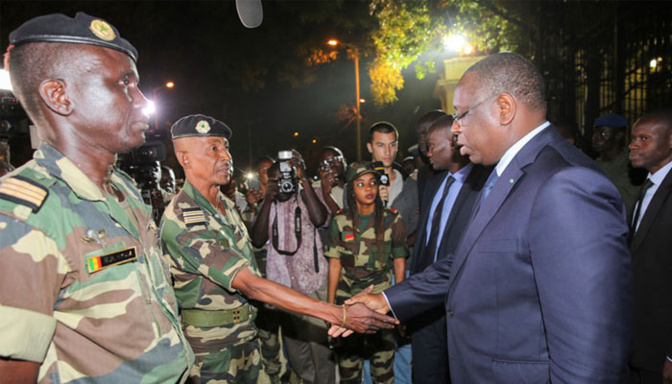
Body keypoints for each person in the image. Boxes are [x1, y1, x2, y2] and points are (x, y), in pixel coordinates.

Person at [340, 52, 633, 383]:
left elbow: (589, 355)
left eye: (461, 115)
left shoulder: (567, 185)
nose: (454, 129)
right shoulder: (506, 174)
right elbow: (464, 262)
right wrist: (387, 300)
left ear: (504, 108)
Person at [0, 12, 194, 383]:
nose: (140, 101)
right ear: (60, 96)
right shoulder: (21, 216)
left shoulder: (122, 189)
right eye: (124, 84)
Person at [160, 114, 397, 384]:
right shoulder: (185, 217)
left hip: (245, 336)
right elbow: (250, 283)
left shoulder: (223, 206)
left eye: (226, 146)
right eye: (214, 148)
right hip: (212, 348)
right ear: (185, 158)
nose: (226, 156)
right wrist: (339, 314)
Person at [407, 114, 489, 384]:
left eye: (433, 146)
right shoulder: (431, 183)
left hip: (462, 306)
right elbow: (424, 242)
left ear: (454, 145)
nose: (426, 152)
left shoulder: (483, 187)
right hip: (425, 308)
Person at [250, 152, 335, 384]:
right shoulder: (268, 204)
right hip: (283, 289)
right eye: (275, 179)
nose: (282, 183)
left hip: (314, 283)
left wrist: (304, 180)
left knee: (322, 352)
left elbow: (320, 219)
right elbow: (257, 240)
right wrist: (268, 199)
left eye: (286, 177)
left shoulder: (308, 195)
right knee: (297, 354)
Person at [324, 162, 408, 384]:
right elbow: (334, 265)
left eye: (372, 183)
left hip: (381, 302)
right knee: (349, 370)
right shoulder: (340, 221)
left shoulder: (392, 219)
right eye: (361, 184)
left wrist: (399, 305)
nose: (368, 188)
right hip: (347, 303)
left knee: (383, 370)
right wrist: (330, 307)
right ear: (351, 189)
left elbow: (399, 263)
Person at [365, 121, 415, 384]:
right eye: (381, 145)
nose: (388, 151)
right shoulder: (358, 184)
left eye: (392, 144)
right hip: (367, 276)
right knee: (368, 342)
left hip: (400, 270)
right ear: (370, 147)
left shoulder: (410, 185)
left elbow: (419, 229)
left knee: (402, 338)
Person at [627, 109, 672, 384]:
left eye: (644, 138)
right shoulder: (649, 185)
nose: (633, 145)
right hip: (639, 341)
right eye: (633, 138)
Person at [592, 113, 642, 213]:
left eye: (603, 133)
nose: (595, 138)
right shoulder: (592, 165)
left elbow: (629, 204)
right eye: (595, 133)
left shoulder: (632, 166)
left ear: (618, 135)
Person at [313, 146, 347, 215]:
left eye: (336, 159)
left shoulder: (355, 186)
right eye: (326, 162)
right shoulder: (316, 189)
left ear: (344, 161)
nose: (332, 164)